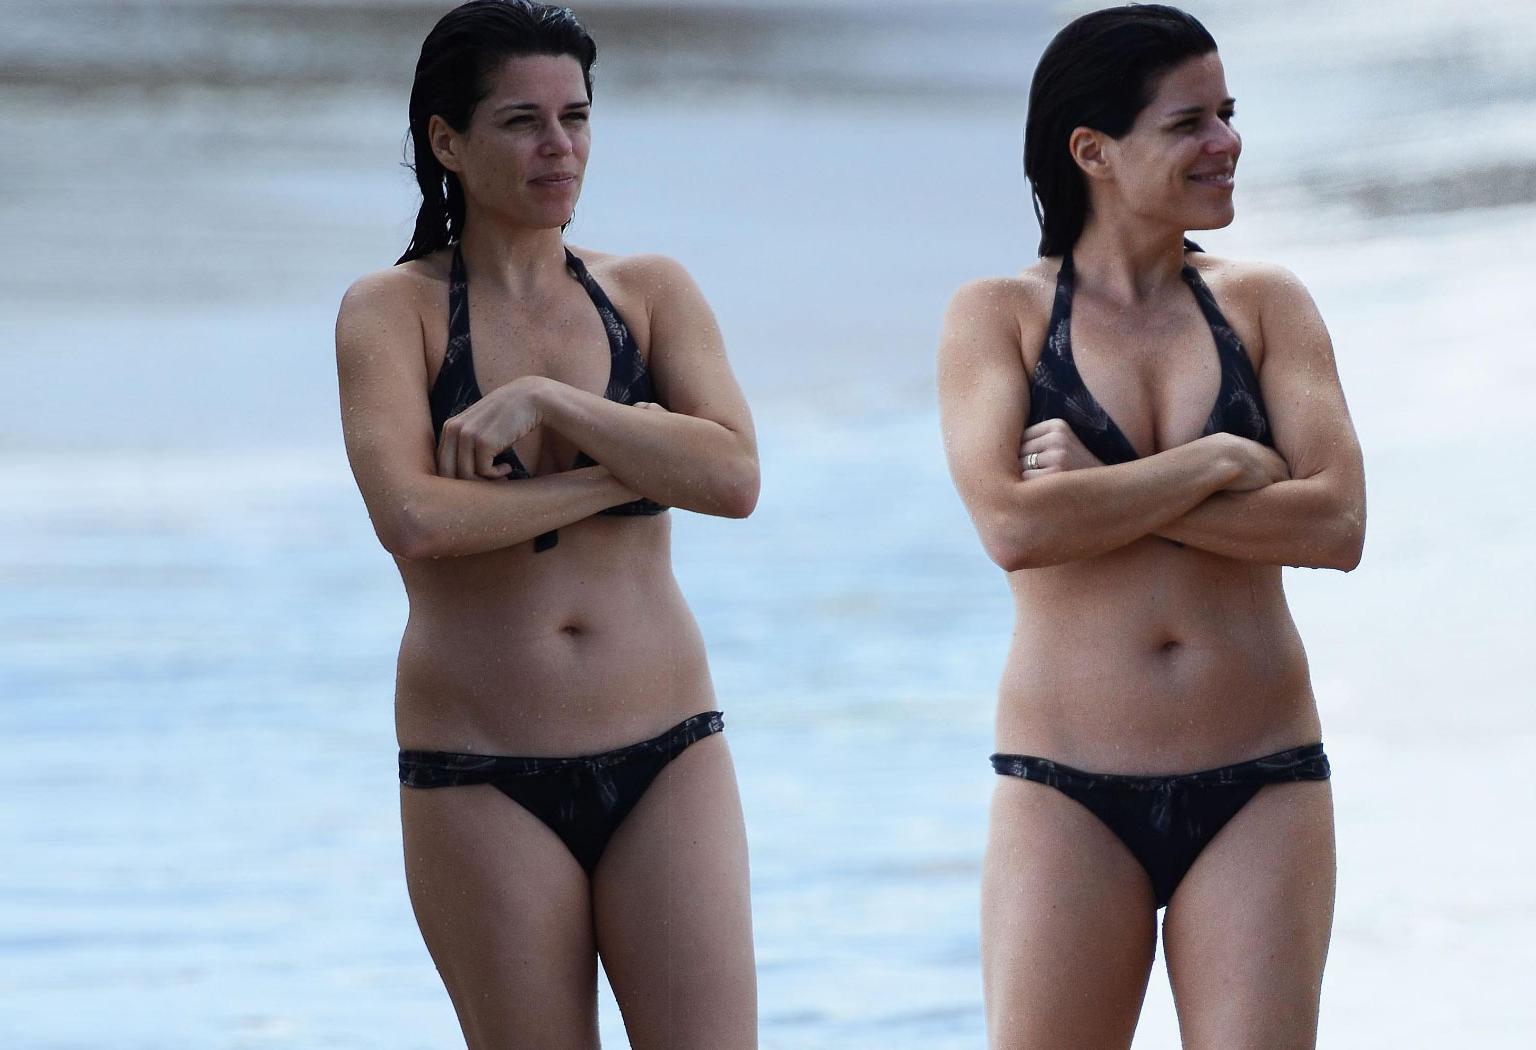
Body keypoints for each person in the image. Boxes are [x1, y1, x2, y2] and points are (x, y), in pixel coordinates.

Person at [937, 6, 1365, 1047]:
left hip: (1262, 782)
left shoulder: (1264, 303)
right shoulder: (999, 316)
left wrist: (1106, 491)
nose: (1227, 142)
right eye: (1188, 123)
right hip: (1065, 791)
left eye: (1227, 112)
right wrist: (1218, 462)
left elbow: (1335, 521)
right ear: (1093, 151)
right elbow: (1014, 526)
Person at [334, 3, 759, 1046]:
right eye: (523, 121)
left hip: (668, 753)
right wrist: (624, 474)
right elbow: (415, 519)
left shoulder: (649, 292)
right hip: (480, 772)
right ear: (447, 140)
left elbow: (734, 475)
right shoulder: (393, 311)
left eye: (576, 117)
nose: (558, 147)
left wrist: (554, 404)